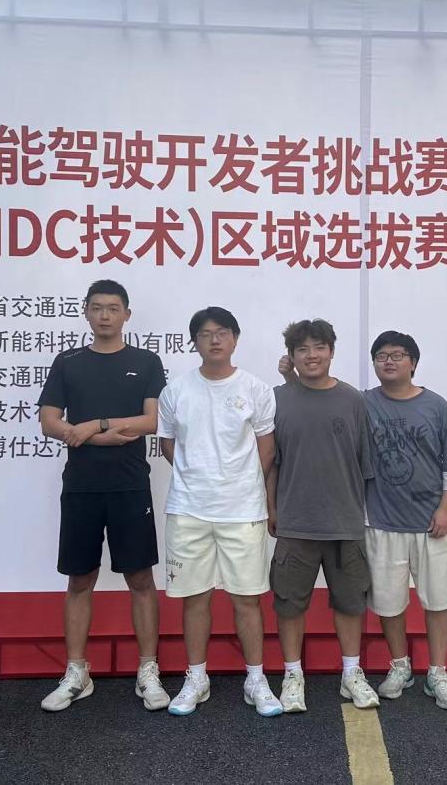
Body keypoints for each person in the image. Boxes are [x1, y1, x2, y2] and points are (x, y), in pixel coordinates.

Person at [36, 279, 169, 713]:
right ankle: (77, 671)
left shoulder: (146, 361)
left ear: (126, 314)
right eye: (97, 308)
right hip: (81, 484)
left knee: (141, 579)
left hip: (130, 484)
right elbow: (49, 421)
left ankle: (148, 669)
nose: (105, 315)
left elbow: (151, 421)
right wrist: (98, 438)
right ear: (86, 312)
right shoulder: (68, 362)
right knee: (79, 579)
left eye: (113, 308)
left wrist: (96, 424)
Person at [156, 306, 284, 717]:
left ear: (235, 339)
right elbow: (168, 445)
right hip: (188, 509)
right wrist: (199, 477)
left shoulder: (256, 389)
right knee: (195, 598)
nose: (214, 340)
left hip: (242, 510)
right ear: (194, 342)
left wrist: (238, 483)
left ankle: (256, 679)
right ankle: (196, 677)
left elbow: (267, 449)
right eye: (205, 334)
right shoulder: (176, 391)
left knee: (247, 599)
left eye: (222, 332)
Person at [267, 319, 379, 712]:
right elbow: (271, 462)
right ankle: (292, 675)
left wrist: (362, 517)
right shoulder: (277, 399)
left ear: (331, 351)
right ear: (291, 356)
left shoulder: (353, 400)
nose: (311, 355)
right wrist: (272, 507)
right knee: (289, 603)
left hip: (345, 522)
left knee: (351, 603)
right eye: (302, 349)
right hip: (295, 521)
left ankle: (351, 673)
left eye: (319, 347)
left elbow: (365, 464)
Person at [362, 331, 447, 710]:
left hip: (430, 523)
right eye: (381, 356)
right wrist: (290, 377)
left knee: (438, 601)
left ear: (413, 362)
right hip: (381, 521)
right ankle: (400, 666)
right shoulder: (364, 404)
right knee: (388, 602)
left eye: (397, 355)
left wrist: (445, 509)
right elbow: (322, 398)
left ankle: (438, 673)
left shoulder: (436, 406)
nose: (388, 361)